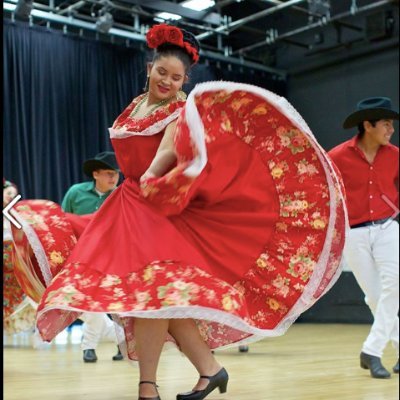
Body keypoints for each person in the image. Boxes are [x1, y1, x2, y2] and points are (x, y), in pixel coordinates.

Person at [12, 24, 346, 400]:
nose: (168, 81)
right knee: (156, 299)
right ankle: (210, 369)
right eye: (162, 72)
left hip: (155, 211)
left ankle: (148, 387)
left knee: (153, 299)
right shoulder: (132, 108)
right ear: (149, 68)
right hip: (127, 208)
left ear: (186, 79)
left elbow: (166, 154)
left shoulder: (180, 112)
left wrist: (155, 177)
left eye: (176, 76)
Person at [328, 97, 399, 379]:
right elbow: (326, 193)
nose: (391, 129)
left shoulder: (395, 155)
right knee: (374, 296)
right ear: (367, 125)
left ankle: (371, 350)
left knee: (394, 285)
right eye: (386, 124)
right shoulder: (336, 157)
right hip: (353, 234)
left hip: (387, 228)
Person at [61, 151, 123, 362]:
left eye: (115, 173)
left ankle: (104, 346)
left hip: (113, 256)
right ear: (95, 174)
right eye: (108, 173)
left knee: (116, 304)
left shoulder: (121, 196)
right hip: (80, 257)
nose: (113, 178)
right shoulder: (76, 192)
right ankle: (116, 342)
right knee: (86, 302)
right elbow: (64, 222)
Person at [3, 179, 37, 335]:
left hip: (15, 263)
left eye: (14, 195)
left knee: (22, 295)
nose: (11, 197)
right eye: (8, 193)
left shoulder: (19, 216)